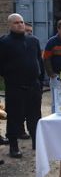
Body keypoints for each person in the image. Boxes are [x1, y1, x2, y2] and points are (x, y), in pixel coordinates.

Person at [0, 13, 44, 157]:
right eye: (16, 23)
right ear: (10, 25)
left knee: (35, 116)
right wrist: (10, 75)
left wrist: (40, 81)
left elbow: (39, 61)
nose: (20, 25)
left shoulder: (33, 41)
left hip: (34, 86)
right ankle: (14, 147)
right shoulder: (4, 42)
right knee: (14, 117)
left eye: (21, 22)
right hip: (15, 87)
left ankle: (37, 144)